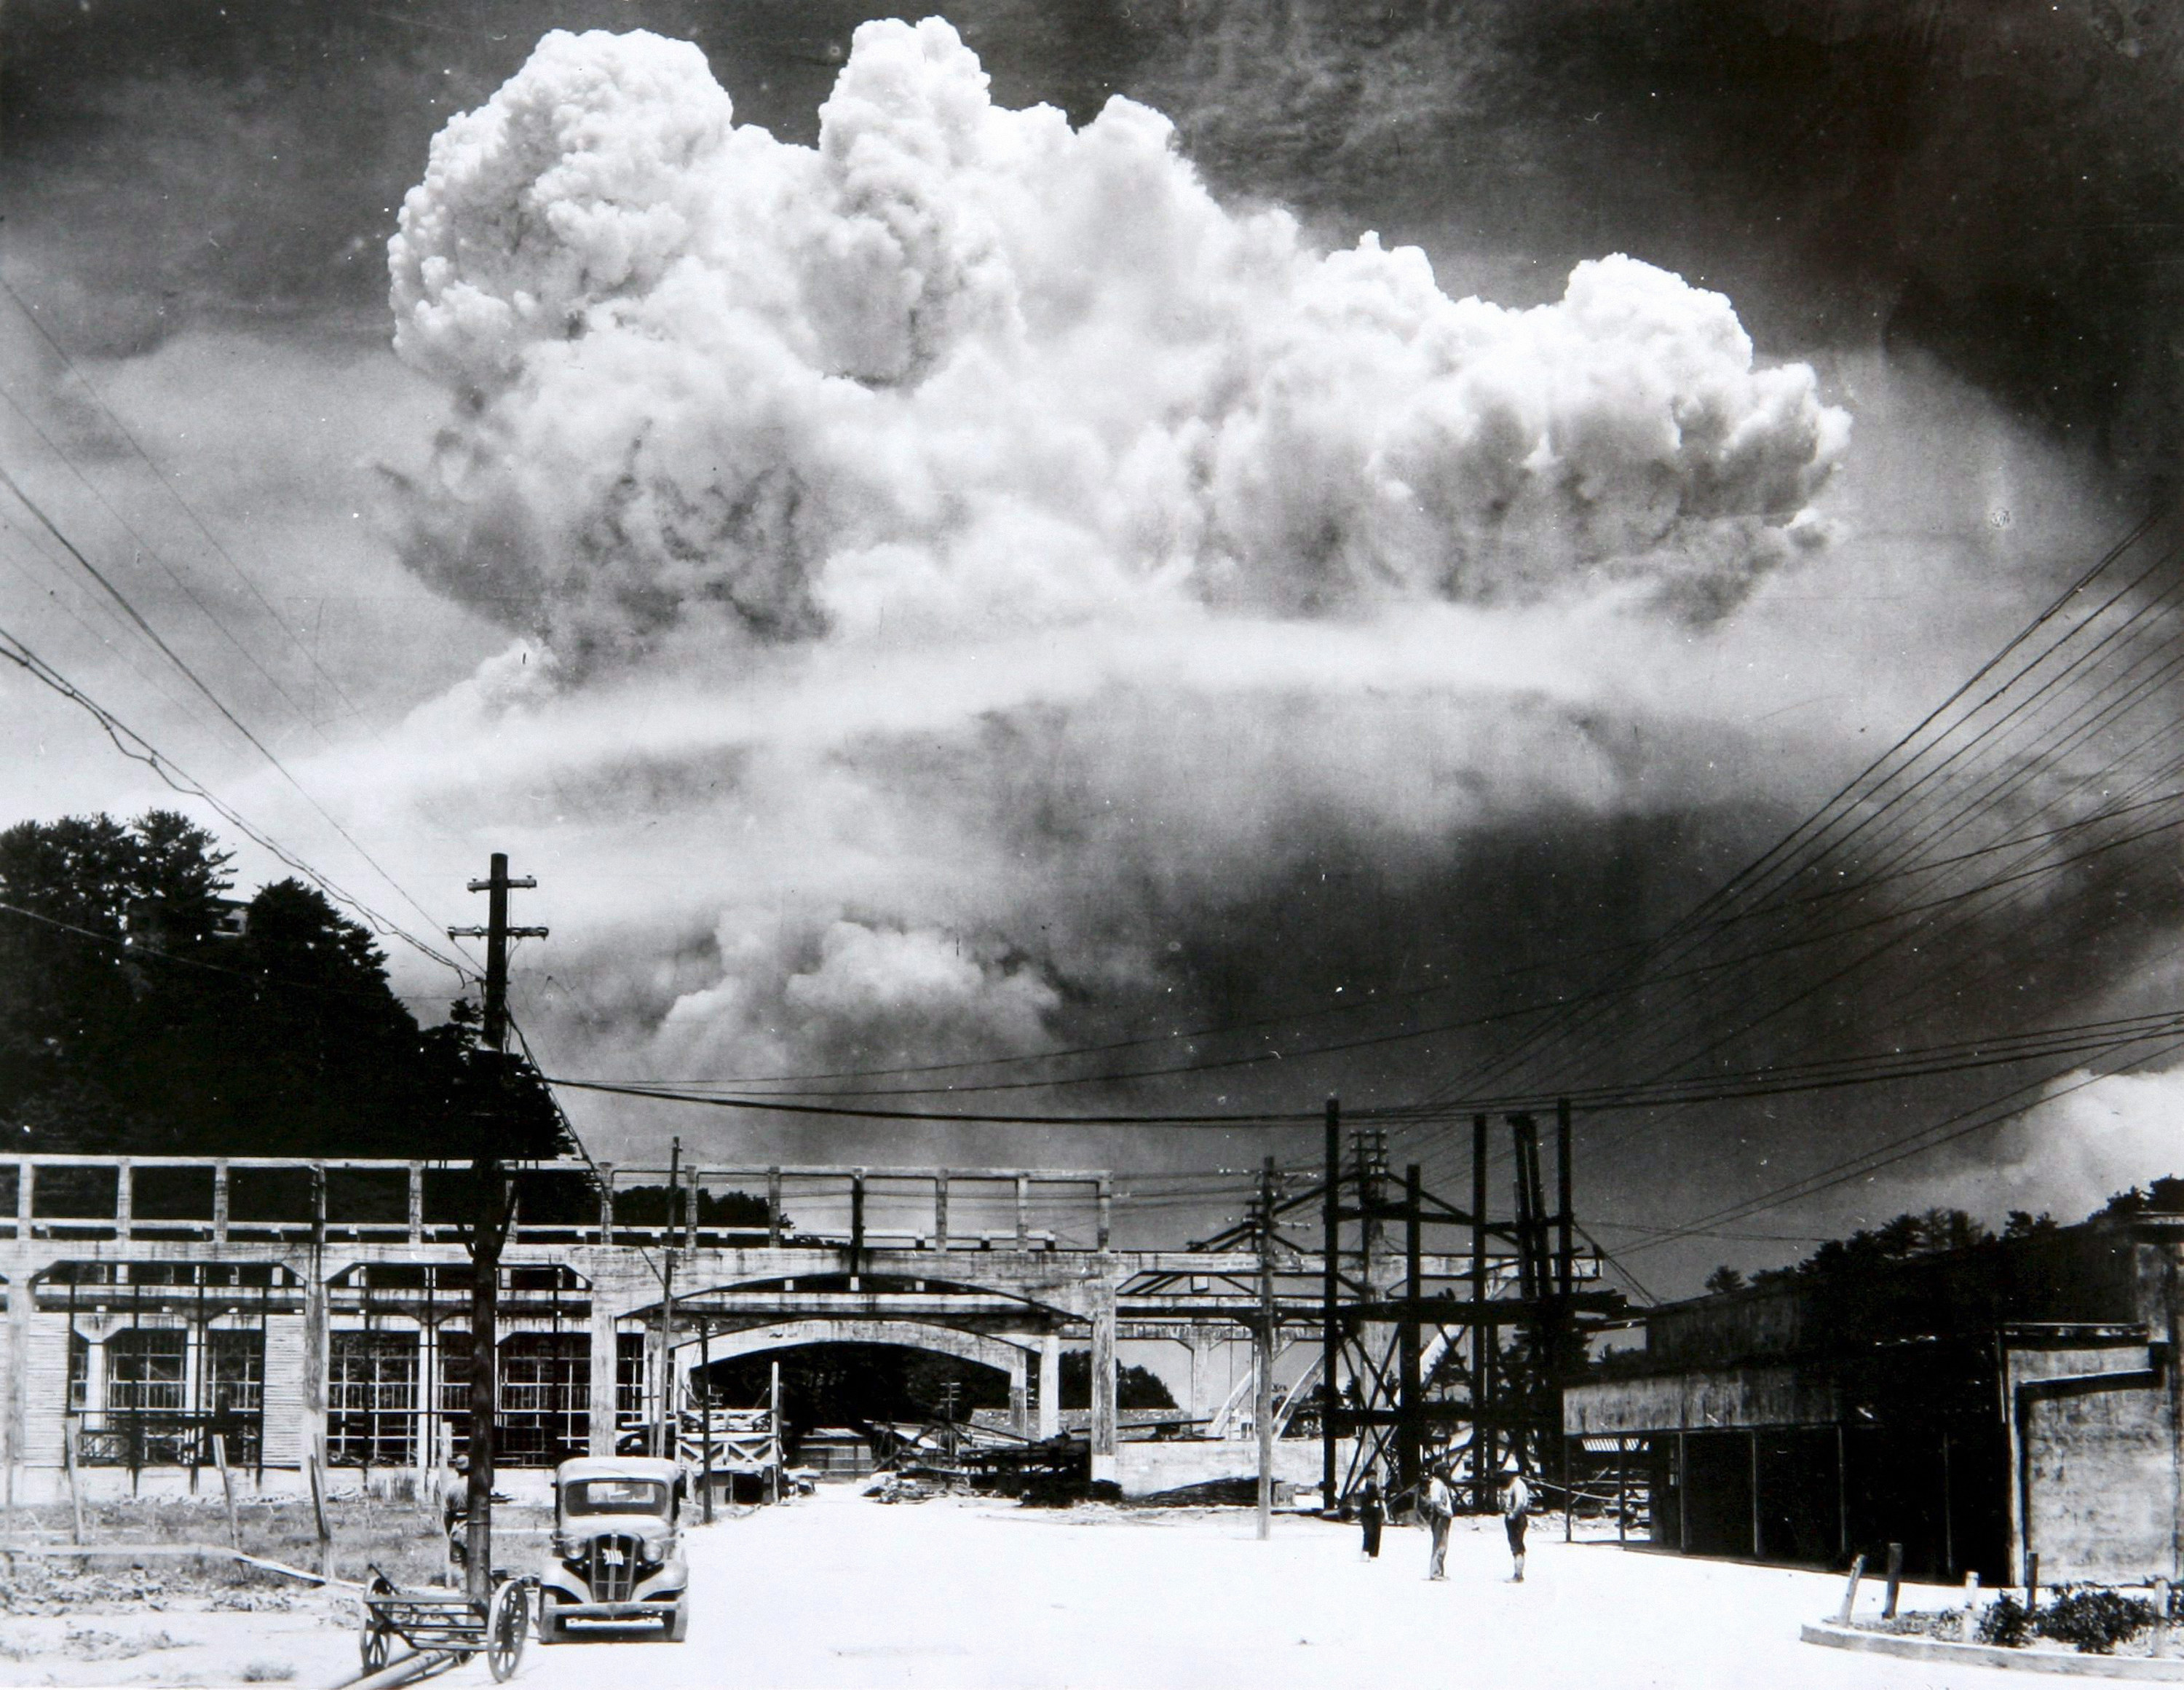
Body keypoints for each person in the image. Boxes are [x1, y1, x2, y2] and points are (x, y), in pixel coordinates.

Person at [1420, 1462, 1454, 1581]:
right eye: (1446, 1470)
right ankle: (1435, 1573)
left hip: (1444, 1518)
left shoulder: (1442, 1485)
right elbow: (1436, 1503)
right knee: (1440, 1545)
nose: (1448, 1473)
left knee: (1443, 1545)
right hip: (1440, 1518)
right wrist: (1446, 1513)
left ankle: (1440, 1571)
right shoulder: (1437, 1485)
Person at [1502, 1458, 1532, 1583]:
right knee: (1516, 1546)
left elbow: (1519, 1502)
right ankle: (1518, 1574)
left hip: (1517, 1518)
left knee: (1517, 1547)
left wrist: (1513, 1514)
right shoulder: (1518, 1484)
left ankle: (1518, 1575)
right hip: (1518, 1517)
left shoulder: (1516, 1485)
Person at [1357, 1477, 1385, 1561]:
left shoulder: (1377, 1493)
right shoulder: (1365, 1492)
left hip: (1375, 1514)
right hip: (1367, 1514)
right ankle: (1366, 1551)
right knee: (1369, 1532)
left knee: (1376, 1533)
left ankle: (1373, 1554)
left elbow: (1381, 1503)